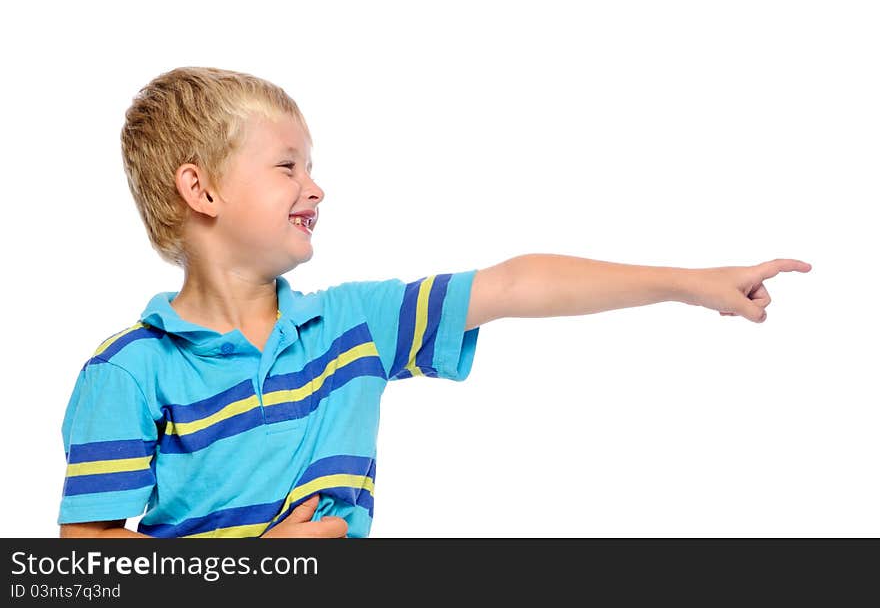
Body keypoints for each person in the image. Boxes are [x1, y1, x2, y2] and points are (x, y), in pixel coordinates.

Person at [57, 66, 811, 539]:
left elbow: (514, 284)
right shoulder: (129, 372)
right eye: (287, 165)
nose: (315, 187)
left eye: (312, 167)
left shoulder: (350, 326)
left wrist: (690, 282)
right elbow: (84, 552)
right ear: (202, 189)